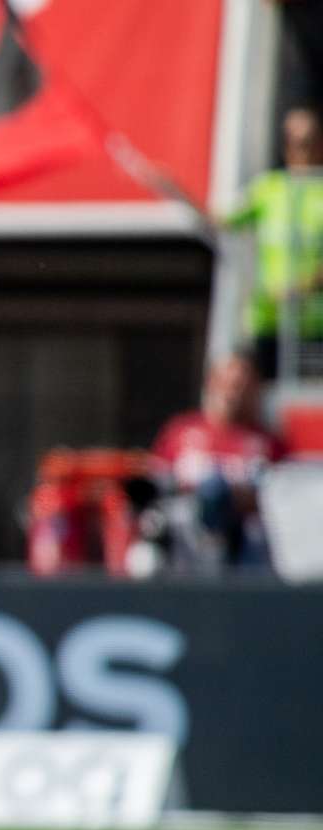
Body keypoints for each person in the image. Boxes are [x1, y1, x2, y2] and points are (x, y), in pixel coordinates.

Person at [146, 352, 287, 571]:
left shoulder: (268, 443)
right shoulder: (181, 432)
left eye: (242, 385)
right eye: (227, 383)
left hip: (245, 539)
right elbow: (154, 487)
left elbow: (283, 498)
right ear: (211, 383)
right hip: (187, 536)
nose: (233, 392)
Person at [229, 105, 323, 380]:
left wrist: (303, 286)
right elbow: (219, 220)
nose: (301, 149)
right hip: (268, 321)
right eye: (294, 141)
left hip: (313, 325)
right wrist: (172, 187)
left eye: (309, 141)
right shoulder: (268, 188)